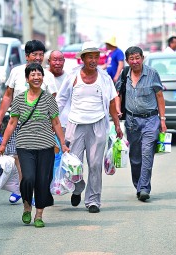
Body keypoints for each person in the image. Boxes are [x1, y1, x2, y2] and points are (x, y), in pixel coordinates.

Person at [0, 63, 69, 228]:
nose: (36, 78)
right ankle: (27, 206)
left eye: (39, 75)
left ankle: (39, 214)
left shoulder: (49, 99)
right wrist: (3, 144)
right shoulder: (19, 99)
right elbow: (12, 123)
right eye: (33, 75)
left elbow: (56, 122)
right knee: (28, 178)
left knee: (43, 181)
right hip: (25, 145)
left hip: (46, 146)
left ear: (43, 78)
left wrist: (63, 144)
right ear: (27, 78)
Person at [56, 41, 123, 213]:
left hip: (98, 124)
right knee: (73, 164)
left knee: (94, 164)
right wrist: (53, 121)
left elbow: (110, 103)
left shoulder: (105, 78)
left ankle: (93, 200)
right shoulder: (73, 76)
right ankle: (78, 188)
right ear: (83, 58)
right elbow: (61, 100)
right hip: (75, 125)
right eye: (90, 57)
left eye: (96, 56)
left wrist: (117, 125)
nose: (93, 60)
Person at [0, 40, 57, 204]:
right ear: (27, 56)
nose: (38, 57)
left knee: (38, 161)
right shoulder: (16, 72)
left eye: (41, 55)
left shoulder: (47, 76)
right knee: (18, 158)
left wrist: (52, 125)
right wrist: (0, 119)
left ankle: (35, 193)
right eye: (34, 54)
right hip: (18, 123)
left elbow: (53, 101)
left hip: (41, 125)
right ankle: (24, 190)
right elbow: (8, 96)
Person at [115, 46, 167, 202]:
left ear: (142, 58)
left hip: (151, 120)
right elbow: (118, 94)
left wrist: (162, 120)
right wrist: (118, 111)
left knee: (147, 153)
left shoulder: (152, 73)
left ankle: (144, 188)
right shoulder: (125, 74)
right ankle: (138, 185)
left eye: (138, 58)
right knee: (135, 157)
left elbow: (159, 96)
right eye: (132, 58)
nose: (135, 61)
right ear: (127, 60)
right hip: (132, 122)